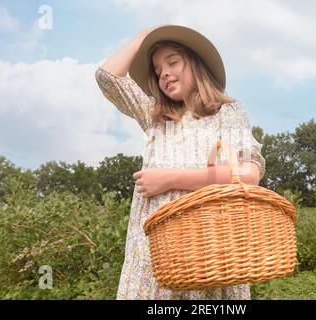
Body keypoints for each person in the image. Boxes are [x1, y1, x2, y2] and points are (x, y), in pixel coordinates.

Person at [95, 24, 266, 300]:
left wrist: (169, 179)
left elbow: (249, 175)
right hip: (152, 258)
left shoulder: (227, 112)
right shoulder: (155, 117)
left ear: (195, 65)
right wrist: (143, 37)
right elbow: (107, 77)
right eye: (158, 69)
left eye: (173, 61)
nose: (164, 73)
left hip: (210, 256)